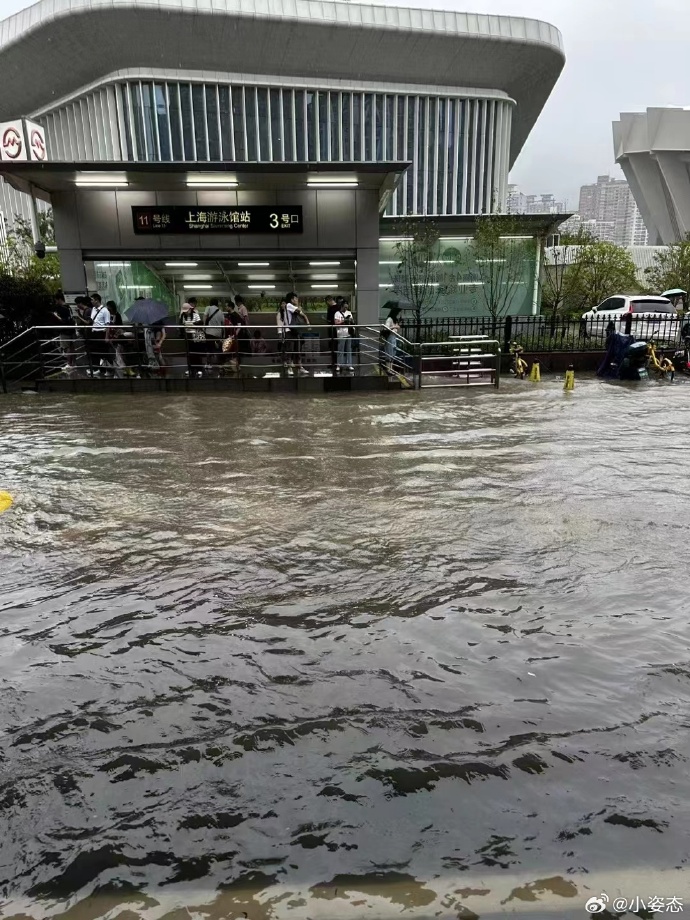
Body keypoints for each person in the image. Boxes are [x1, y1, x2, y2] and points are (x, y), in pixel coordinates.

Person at [283, 292, 310, 375]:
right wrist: (306, 320)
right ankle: (289, 368)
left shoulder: (293, 307)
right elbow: (300, 312)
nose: (297, 300)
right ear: (291, 299)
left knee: (298, 350)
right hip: (289, 331)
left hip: (296, 330)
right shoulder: (288, 305)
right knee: (290, 349)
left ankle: (300, 367)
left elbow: (302, 314)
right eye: (296, 299)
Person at [180, 298, 205, 376]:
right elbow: (181, 326)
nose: (186, 313)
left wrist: (193, 324)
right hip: (188, 336)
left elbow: (201, 323)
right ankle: (190, 368)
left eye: (187, 311)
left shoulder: (195, 314)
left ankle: (199, 369)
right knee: (189, 354)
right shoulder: (183, 316)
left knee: (196, 353)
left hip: (195, 336)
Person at [89, 293, 114, 375]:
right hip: (94, 332)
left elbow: (107, 325)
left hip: (101, 333)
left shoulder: (105, 311)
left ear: (97, 300)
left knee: (104, 352)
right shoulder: (93, 309)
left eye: (92, 300)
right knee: (95, 352)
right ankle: (98, 369)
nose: (91, 301)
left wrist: (106, 337)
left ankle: (109, 370)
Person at [52, 291, 76, 369]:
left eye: (56, 300)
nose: (55, 302)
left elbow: (63, 320)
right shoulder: (68, 307)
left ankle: (69, 363)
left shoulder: (62, 309)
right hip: (71, 330)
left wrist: (55, 316)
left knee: (67, 347)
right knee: (71, 346)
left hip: (65, 330)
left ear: (59, 299)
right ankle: (73, 363)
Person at [204, 297, 225, 370]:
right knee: (218, 349)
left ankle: (209, 364)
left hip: (209, 332)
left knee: (209, 348)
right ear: (217, 304)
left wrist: (204, 327)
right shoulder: (220, 312)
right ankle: (220, 364)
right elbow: (223, 323)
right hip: (218, 333)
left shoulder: (208, 308)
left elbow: (205, 316)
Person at [334, 299, 354, 373]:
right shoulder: (337, 313)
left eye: (347, 307)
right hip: (341, 334)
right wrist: (344, 321)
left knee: (349, 350)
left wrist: (350, 321)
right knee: (340, 350)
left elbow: (352, 321)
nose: (346, 309)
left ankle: (349, 364)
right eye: (344, 307)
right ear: (341, 306)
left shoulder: (349, 312)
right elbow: (336, 323)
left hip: (348, 333)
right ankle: (339, 365)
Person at [382, 304, 402, 370]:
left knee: (393, 353)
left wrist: (397, 326)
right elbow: (386, 328)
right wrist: (394, 327)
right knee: (389, 353)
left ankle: (391, 368)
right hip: (390, 337)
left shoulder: (395, 320)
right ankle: (388, 368)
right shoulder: (389, 319)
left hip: (394, 337)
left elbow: (397, 327)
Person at [325, 295, 338, 370]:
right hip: (338, 330)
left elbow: (329, 320)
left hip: (332, 329)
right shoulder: (339, 307)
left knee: (333, 346)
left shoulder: (330, 309)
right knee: (336, 346)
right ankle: (336, 363)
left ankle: (334, 363)